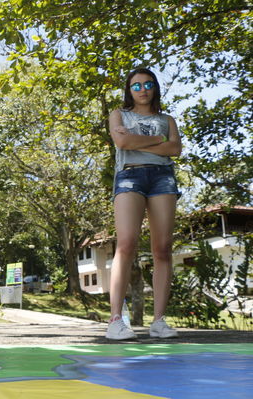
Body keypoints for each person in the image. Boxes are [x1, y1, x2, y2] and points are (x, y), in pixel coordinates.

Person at [106, 67, 182, 340]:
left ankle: (159, 321)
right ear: (129, 90)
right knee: (126, 242)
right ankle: (116, 320)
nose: (142, 90)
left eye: (147, 84)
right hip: (129, 177)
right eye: (136, 86)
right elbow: (122, 142)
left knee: (162, 249)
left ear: (155, 88)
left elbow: (175, 149)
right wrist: (158, 140)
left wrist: (140, 142)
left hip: (163, 178)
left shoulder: (167, 119)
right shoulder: (119, 114)